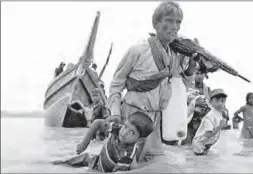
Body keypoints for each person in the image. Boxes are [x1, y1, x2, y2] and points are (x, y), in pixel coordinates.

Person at [107, 1, 198, 163]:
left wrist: (191, 69)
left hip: (154, 122)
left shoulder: (174, 56)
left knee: (154, 164)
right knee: (120, 164)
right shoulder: (138, 50)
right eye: (169, 20)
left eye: (178, 22)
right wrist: (115, 113)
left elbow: (180, 88)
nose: (174, 26)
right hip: (131, 119)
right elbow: (116, 84)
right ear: (156, 23)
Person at [52, 111, 154, 172]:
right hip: (95, 160)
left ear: (139, 139)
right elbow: (98, 122)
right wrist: (84, 144)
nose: (124, 132)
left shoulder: (127, 156)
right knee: (63, 163)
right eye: (126, 126)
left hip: (103, 170)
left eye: (132, 132)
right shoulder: (117, 129)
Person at [191, 89, 228, 155]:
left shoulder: (220, 112)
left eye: (222, 100)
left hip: (206, 144)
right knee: (201, 162)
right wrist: (220, 126)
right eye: (217, 100)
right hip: (199, 144)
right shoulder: (210, 116)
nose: (220, 103)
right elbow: (208, 134)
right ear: (211, 102)